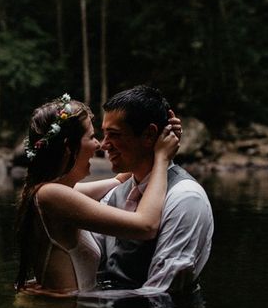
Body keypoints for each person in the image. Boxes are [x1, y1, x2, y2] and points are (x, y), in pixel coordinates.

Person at [15, 93, 179, 295]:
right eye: (92, 137)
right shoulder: (52, 196)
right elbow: (145, 226)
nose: (99, 145)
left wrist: (154, 139)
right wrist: (162, 158)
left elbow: (118, 180)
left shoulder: (45, 193)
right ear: (69, 147)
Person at [96, 85, 213, 292]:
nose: (104, 145)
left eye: (114, 135)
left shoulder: (185, 198)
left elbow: (161, 291)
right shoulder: (116, 193)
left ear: (149, 135)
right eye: (104, 134)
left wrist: (78, 300)